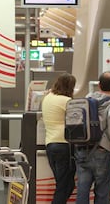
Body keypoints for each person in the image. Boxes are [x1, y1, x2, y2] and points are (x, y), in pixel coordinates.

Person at [74, 71, 110, 204]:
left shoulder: (87, 99)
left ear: (99, 85)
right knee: (102, 192)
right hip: (102, 149)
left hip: (83, 148)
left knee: (82, 190)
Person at [41, 73, 76, 204]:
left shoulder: (47, 98)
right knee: (63, 186)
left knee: (66, 184)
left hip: (50, 145)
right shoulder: (66, 101)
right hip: (64, 145)